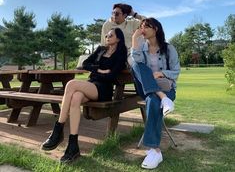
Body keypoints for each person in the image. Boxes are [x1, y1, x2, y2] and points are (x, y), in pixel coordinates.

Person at [41, 28, 127, 163]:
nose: (107, 36)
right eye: (106, 35)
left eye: (110, 35)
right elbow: (85, 64)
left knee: (71, 84)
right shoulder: (100, 50)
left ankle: (58, 130)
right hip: (92, 85)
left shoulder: (121, 54)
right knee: (75, 98)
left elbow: (111, 76)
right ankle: (73, 146)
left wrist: (102, 74)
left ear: (118, 38)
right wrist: (98, 70)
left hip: (104, 90)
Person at [131, 18, 180, 169]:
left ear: (156, 29)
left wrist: (161, 73)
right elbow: (136, 65)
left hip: (167, 88)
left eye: (146, 26)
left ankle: (155, 150)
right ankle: (163, 99)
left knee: (153, 101)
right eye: (141, 27)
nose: (142, 29)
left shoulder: (169, 48)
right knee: (135, 65)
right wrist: (134, 39)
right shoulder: (141, 48)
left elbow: (176, 71)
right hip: (146, 88)